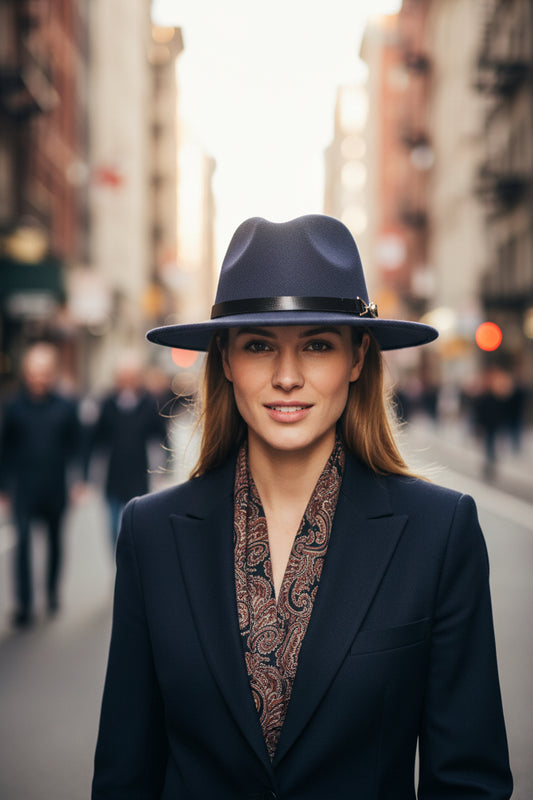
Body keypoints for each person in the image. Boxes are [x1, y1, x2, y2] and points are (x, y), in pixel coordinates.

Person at [92, 215, 512, 799]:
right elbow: (124, 775)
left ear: (358, 358)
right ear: (227, 361)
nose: (287, 377)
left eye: (317, 345)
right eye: (259, 346)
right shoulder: (151, 532)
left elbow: (468, 781)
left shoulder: (440, 533)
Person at [0, 342, 83, 627]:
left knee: (55, 542)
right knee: (22, 543)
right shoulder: (13, 405)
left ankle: (50, 591)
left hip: (55, 486)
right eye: (34, 372)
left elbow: (77, 445)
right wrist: (3, 488)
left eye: (45, 372)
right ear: (26, 373)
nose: (39, 378)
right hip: (23, 488)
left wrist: (78, 481)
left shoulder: (66, 405)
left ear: (53, 374)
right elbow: (4, 448)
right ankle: (23, 605)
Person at [85, 351, 167, 551]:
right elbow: (95, 441)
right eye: (123, 377)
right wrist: (89, 475)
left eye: (132, 377)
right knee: (114, 529)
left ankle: (133, 570)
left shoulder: (149, 404)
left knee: (136, 527)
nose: (127, 382)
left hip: (139, 476)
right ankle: (120, 566)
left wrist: (162, 469)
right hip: (113, 476)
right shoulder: (107, 404)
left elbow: (161, 437)